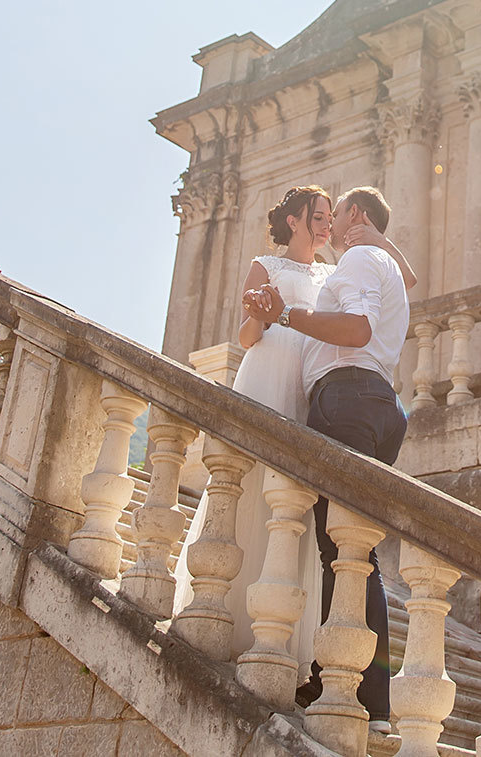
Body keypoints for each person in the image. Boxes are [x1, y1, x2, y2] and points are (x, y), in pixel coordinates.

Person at [174, 186, 417, 689]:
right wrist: (263, 316)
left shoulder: (341, 268)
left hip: (312, 388)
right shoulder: (266, 265)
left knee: (304, 511)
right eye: (319, 216)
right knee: (256, 490)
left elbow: (405, 278)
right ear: (293, 220)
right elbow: (244, 336)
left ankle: (295, 636)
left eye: (332, 215)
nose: (327, 225)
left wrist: (376, 237)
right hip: (270, 374)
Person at [243, 185, 409, 734]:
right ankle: (365, 694)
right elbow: (405, 282)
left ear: (354, 216)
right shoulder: (370, 260)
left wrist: (288, 315)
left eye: (334, 214)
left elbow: (357, 329)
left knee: (338, 547)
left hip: (347, 398)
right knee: (357, 550)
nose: (329, 225)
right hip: (380, 404)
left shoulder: (358, 257)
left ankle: (348, 686)